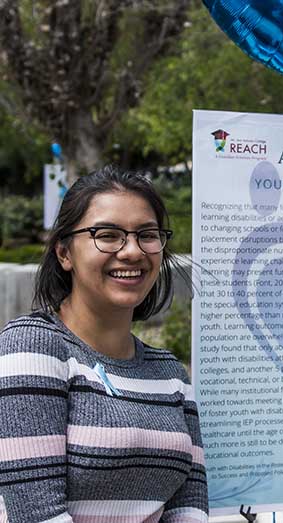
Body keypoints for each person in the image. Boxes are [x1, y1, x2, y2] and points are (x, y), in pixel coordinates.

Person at [0, 166, 208, 522]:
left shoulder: (170, 372)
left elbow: (190, 506)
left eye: (147, 234)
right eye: (107, 235)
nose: (132, 251)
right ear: (64, 252)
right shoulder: (31, 347)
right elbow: (35, 514)